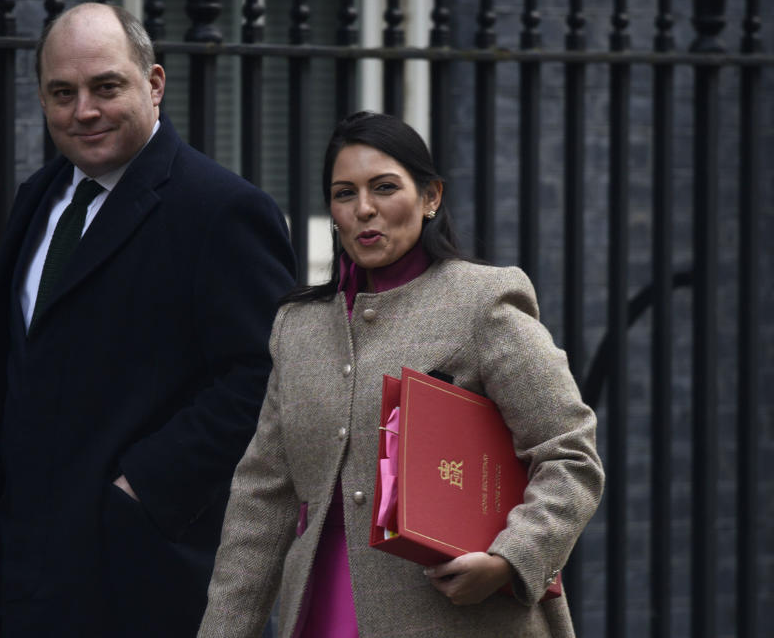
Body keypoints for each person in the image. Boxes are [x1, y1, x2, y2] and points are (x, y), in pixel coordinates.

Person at [0, 2, 296, 638]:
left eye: (106, 86)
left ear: (154, 84)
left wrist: (141, 487)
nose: (84, 110)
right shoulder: (40, 196)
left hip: (138, 576)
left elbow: (265, 377)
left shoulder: (222, 210)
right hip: (15, 565)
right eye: (63, 92)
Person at [198, 111, 604, 637]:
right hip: (323, 610)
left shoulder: (482, 302)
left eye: (384, 187)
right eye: (345, 194)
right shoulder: (297, 328)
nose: (364, 209)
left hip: (458, 618)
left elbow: (570, 454)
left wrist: (510, 559)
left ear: (430, 197)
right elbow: (263, 500)